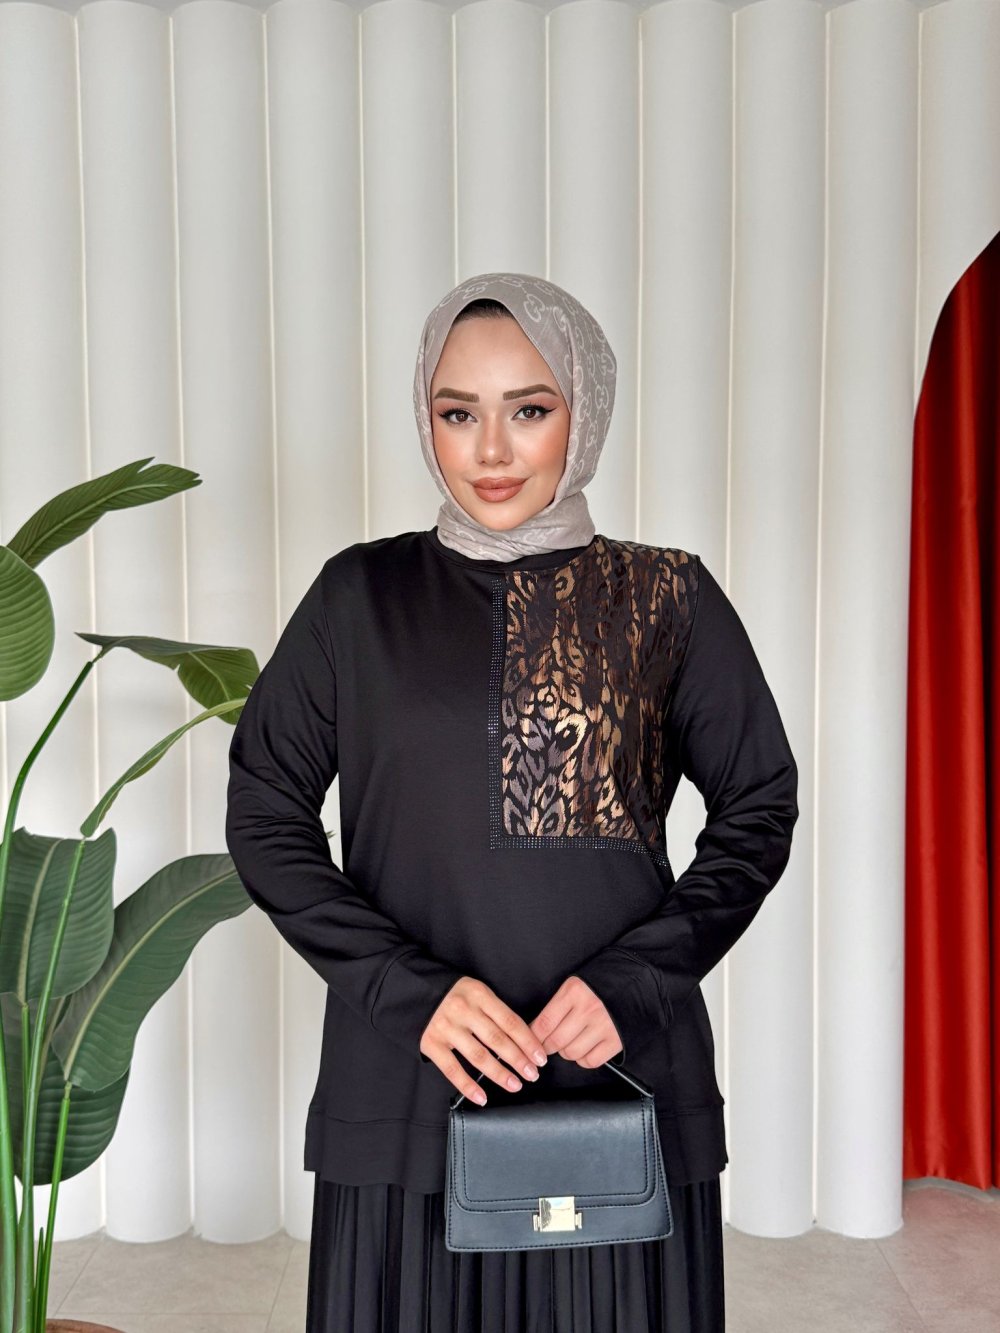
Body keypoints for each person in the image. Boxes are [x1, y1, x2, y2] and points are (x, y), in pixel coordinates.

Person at [225, 271, 799, 1332]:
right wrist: (409, 991)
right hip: (407, 1075)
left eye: (528, 409)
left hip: (617, 1070)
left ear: (584, 409)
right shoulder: (359, 598)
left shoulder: (667, 596)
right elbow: (266, 809)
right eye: (458, 414)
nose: (490, 450)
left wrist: (637, 979)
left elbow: (758, 805)